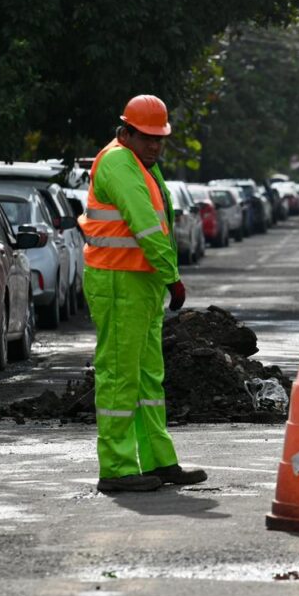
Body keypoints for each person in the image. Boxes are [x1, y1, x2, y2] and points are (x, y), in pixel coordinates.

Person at [79, 95, 207, 492]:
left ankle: (158, 460)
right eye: (147, 137)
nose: (154, 145)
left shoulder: (142, 165)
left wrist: (164, 277)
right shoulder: (119, 162)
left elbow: (156, 224)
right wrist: (172, 277)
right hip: (119, 282)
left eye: (159, 139)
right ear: (126, 132)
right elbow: (145, 227)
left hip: (140, 283)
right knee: (120, 375)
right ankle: (117, 469)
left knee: (149, 378)